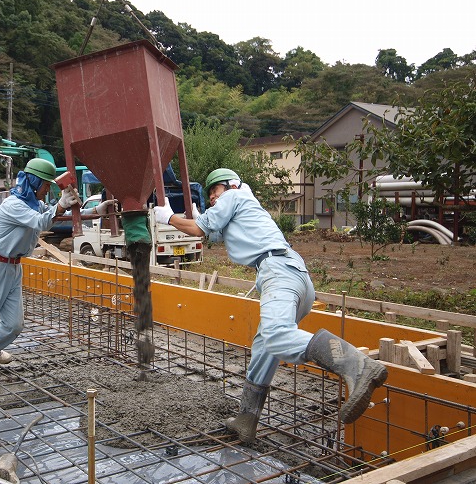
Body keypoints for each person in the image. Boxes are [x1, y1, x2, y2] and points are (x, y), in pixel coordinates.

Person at [153, 168, 388, 442]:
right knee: (264, 347)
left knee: (276, 335)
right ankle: (246, 419)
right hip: (294, 275)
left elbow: (198, 228)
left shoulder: (234, 195)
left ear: (229, 185)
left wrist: (167, 217)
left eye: (214, 192)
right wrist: (192, 217)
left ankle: (356, 365)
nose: (214, 199)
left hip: (278, 271)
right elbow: (205, 230)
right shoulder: (243, 207)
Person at [0, 158, 115, 380]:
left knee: (14, 324)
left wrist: (96, 210)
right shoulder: (13, 205)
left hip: (14, 268)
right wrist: (60, 205)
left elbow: (59, 216)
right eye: (45, 185)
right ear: (34, 182)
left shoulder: (36, 205)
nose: (47, 189)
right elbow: (41, 223)